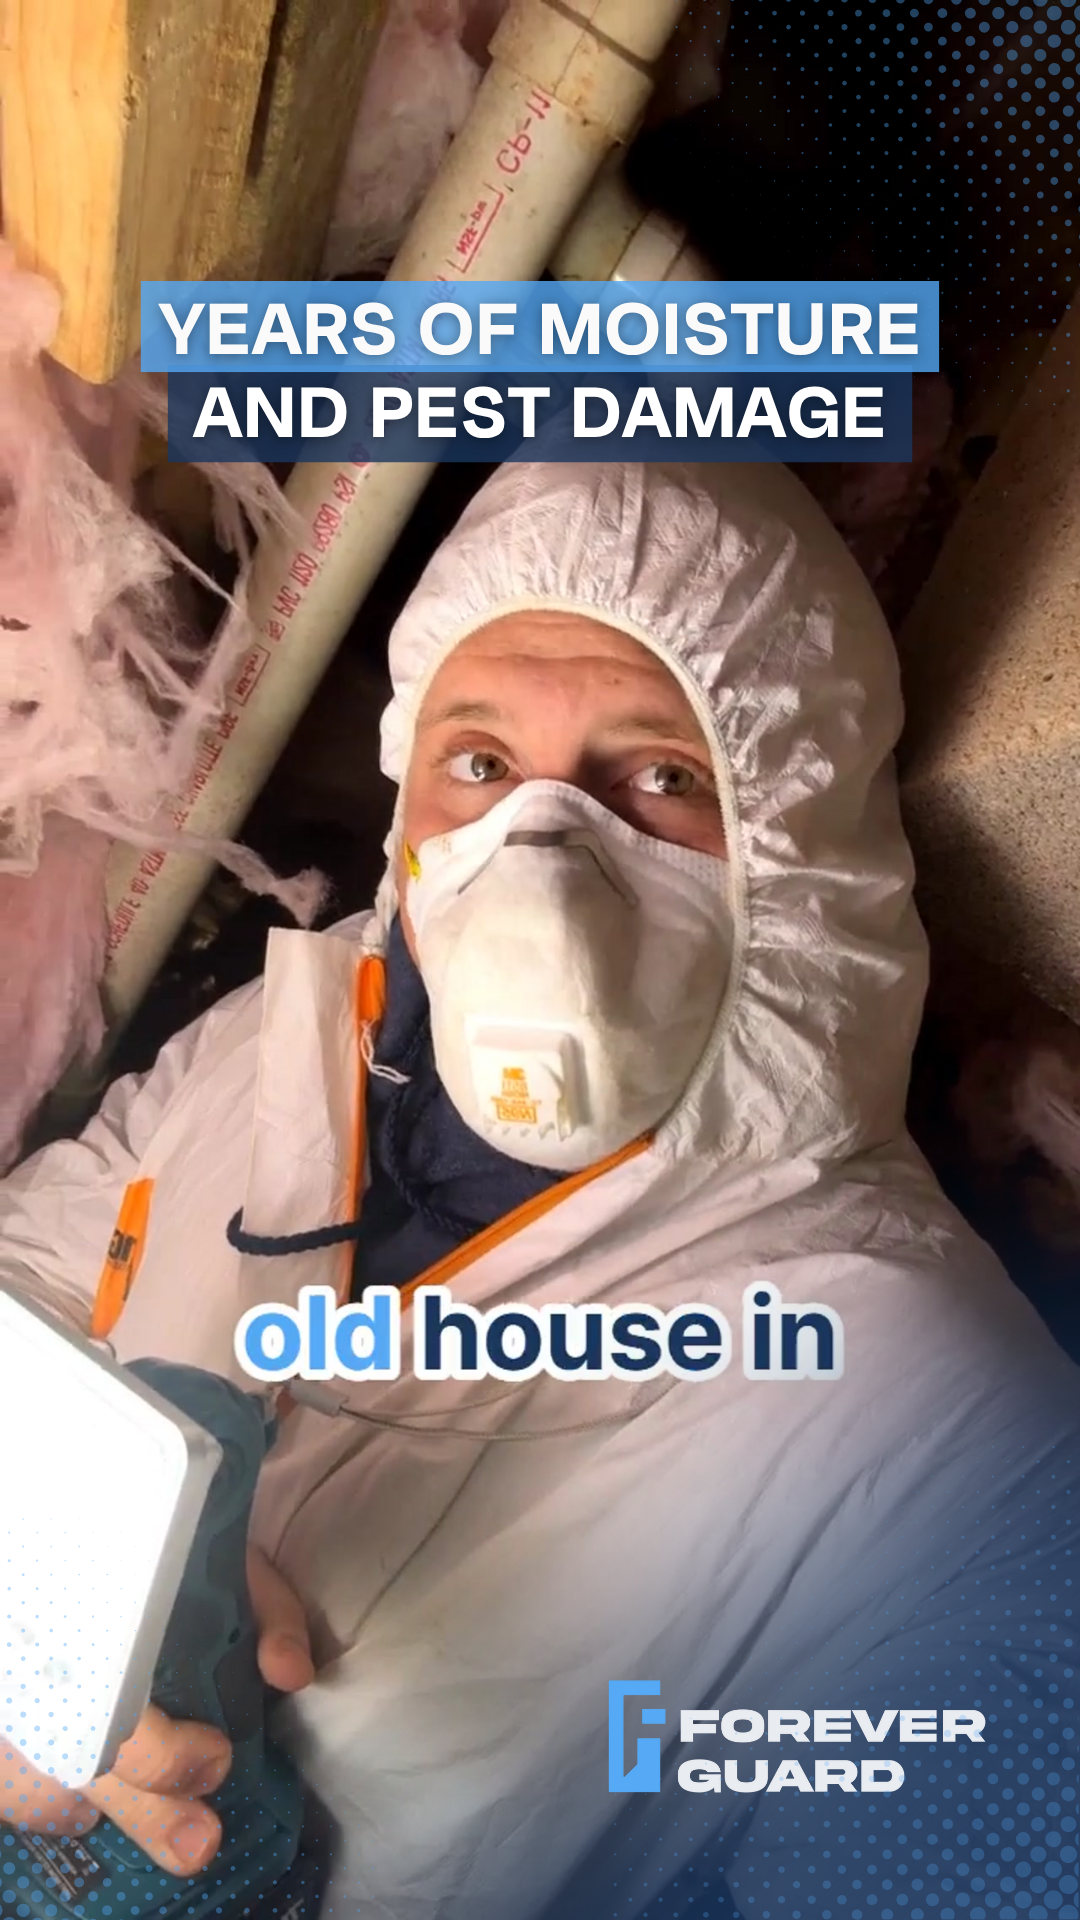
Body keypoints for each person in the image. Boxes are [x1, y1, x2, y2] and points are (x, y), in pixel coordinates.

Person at [2, 460, 1078, 1920]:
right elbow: (33, 1274)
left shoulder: (932, 1415)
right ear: (407, 815)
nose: (541, 860)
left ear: (802, 847)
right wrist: (46, 1614)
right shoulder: (274, 1038)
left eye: (660, 778)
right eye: (484, 765)